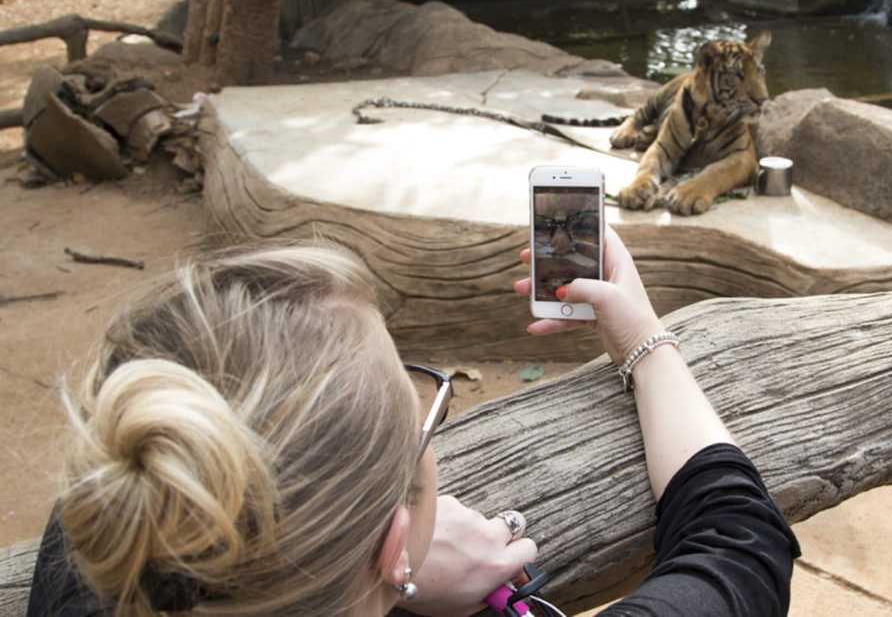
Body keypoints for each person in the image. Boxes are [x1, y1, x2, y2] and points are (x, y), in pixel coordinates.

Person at [28, 227, 798, 616]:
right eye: (419, 399)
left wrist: (355, 554)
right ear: (394, 540)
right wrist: (643, 340)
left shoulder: (106, 552)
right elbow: (738, 544)